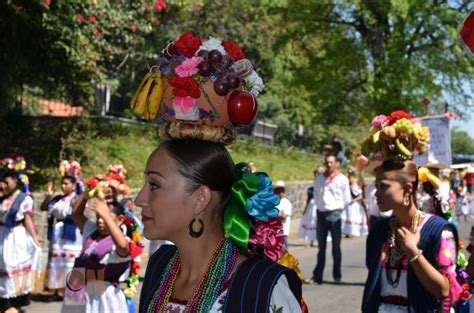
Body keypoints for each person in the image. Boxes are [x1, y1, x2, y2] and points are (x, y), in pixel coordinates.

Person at [136, 33, 304, 313]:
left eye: (154, 185)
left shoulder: (260, 288)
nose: (139, 199)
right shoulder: (160, 269)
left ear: (200, 198)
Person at [361, 110, 463, 312]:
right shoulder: (379, 230)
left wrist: (413, 253)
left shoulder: (439, 230)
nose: (376, 193)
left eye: (384, 187)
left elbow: (444, 290)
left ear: (407, 189)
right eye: (376, 186)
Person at [62, 173, 144, 313]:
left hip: (103, 295)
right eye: (98, 217)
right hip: (79, 285)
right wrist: (88, 192)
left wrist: (106, 215)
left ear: (120, 219)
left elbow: (124, 248)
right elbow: (76, 214)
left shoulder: (121, 240)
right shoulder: (92, 232)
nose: (100, 221)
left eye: (105, 218)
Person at [0, 171, 41, 313]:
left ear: (15, 182)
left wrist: (35, 239)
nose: (3, 185)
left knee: (13, 264)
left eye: (7, 182)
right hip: (2, 235)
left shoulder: (23, 198)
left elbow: (27, 219)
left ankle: (13, 302)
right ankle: (6, 302)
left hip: (16, 236)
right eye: (2, 182)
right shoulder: (3, 199)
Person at [307, 154, 351, 284]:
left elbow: (347, 198)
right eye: (327, 162)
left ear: (336, 163)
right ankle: (318, 275)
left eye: (331, 162)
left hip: (335, 213)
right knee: (321, 248)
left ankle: (337, 275)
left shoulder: (342, 179)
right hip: (321, 213)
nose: (329, 165)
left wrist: (337, 209)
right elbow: (315, 194)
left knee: (336, 247)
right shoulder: (320, 178)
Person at [40, 174, 83, 300]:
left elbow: (79, 212)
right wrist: (49, 195)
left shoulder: (77, 198)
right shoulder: (58, 199)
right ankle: (57, 289)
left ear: (74, 186)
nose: (63, 186)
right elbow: (44, 208)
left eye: (66, 184)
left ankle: (69, 289)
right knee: (56, 262)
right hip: (58, 233)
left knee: (70, 262)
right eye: (62, 184)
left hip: (72, 233)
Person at [275, 180, 293, 249]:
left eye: (281, 191)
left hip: (283, 230)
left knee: (283, 250)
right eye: (278, 191)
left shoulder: (286, 203)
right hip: (275, 230)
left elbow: (283, 217)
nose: (280, 193)